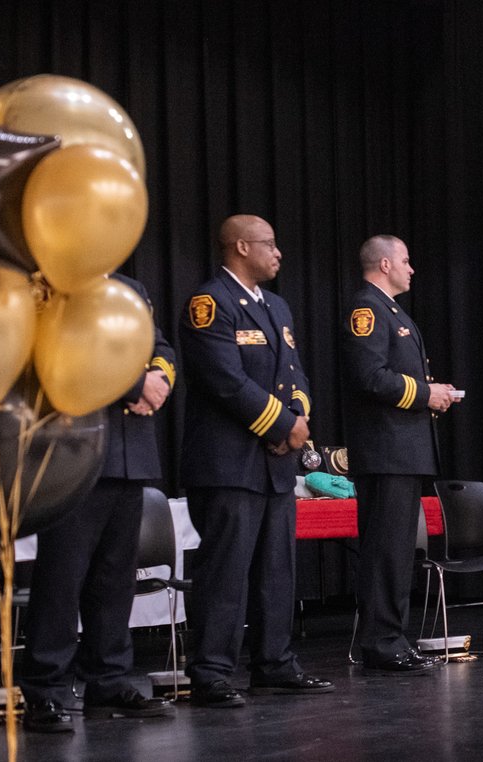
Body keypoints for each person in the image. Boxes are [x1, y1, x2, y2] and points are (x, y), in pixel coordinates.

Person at [178, 215, 333, 707]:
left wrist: (298, 417)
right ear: (241, 246)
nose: (278, 252)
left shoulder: (276, 306)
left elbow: (294, 373)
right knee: (225, 574)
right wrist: (282, 426)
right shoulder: (210, 303)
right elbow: (225, 380)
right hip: (228, 463)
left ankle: (274, 664)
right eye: (270, 244)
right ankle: (211, 673)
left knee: (276, 572)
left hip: (275, 464)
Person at [19, 274, 176, 733]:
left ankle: (107, 682)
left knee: (114, 582)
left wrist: (158, 380)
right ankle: (44, 691)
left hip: (130, 454)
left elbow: (160, 347)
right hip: (72, 455)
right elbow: (65, 353)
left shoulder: (131, 288)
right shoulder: (51, 285)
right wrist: (136, 385)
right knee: (61, 581)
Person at [341, 235, 460, 671]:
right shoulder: (367, 309)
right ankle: (380, 641)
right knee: (385, 551)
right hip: (386, 451)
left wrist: (433, 394)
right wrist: (426, 394)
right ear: (385, 264)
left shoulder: (391, 311)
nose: (412, 269)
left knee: (396, 551)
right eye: (406, 261)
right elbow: (370, 376)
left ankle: (391, 637)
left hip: (402, 451)